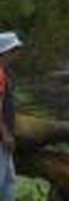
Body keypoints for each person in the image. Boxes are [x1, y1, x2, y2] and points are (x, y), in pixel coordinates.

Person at [0, 32, 21, 200]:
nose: (17, 55)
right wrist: (5, 133)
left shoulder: (5, 73)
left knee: (9, 180)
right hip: (1, 138)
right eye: (14, 50)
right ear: (4, 52)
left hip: (4, 138)